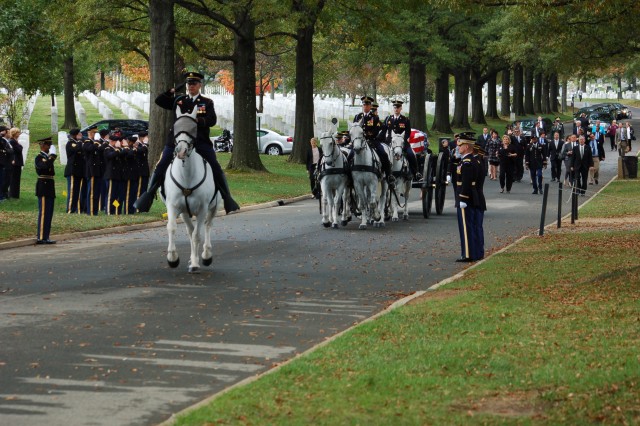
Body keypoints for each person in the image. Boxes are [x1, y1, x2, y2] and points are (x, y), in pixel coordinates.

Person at [134, 71, 239, 214]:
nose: (191, 86)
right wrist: (173, 90)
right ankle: (148, 197)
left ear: (199, 85)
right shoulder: (179, 100)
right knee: (161, 165)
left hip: (199, 141)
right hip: (176, 141)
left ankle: (227, 198)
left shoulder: (206, 102)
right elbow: (159, 101)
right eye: (189, 84)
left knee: (215, 167)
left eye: (194, 84)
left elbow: (212, 120)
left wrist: (197, 121)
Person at [348, 95, 394, 187]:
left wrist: (367, 135)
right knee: (349, 156)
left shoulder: (374, 117)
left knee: (383, 154)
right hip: (358, 142)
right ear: (362, 106)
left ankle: (388, 175)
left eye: (367, 105)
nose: (365, 106)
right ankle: (349, 177)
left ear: (370, 106)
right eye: (364, 104)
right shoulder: (357, 117)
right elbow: (353, 129)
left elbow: (376, 130)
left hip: (372, 141)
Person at [453, 133, 481, 262]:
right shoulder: (467, 160)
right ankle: (472, 253)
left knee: (466, 227)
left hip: (466, 198)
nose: (459, 147)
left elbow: (467, 181)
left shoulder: (468, 162)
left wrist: (463, 198)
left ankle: (468, 254)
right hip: (469, 197)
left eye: (461, 145)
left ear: (467, 147)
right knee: (468, 226)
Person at [377, 100, 421, 181]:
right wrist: (378, 139)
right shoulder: (388, 119)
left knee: (411, 154)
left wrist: (403, 140)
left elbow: (408, 132)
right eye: (394, 107)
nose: (396, 109)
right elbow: (383, 131)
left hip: (402, 142)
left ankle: (416, 173)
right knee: (381, 153)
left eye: (398, 107)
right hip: (390, 142)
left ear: (401, 108)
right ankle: (381, 171)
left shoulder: (405, 120)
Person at [34, 137, 57, 244]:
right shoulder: (39, 157)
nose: (49, 147)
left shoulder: (47, 157)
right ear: (43, 146)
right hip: (43, 185)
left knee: (49, 212)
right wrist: (51, 157)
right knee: (43, 212)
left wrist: (50, 157)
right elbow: (44, 167)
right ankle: (41, 236)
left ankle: (46, 236)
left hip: (50, 185)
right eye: (48, 145)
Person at [83, 125, 105, 215]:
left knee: (96, 192)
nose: (95, 134)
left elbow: (101, 150)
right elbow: (90, 149)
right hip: (91, 170)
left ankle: (95, 210)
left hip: (98, 170)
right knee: (91, 192)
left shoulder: (96, 143)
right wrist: (96, 142)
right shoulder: (87, 142)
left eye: (96, 133)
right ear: (89, 133)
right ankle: (91, 211)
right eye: (94, 133)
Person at [64, 128, 87, 213]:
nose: (81, 136)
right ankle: (70, 209)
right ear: (75, 135)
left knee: (79, 191)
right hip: (73, 170)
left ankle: (78, 208)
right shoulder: (71, 143)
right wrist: (80, 141)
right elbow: (77, 148)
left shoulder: (78, 143)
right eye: (79, 134)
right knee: (73, 191)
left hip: (80, 171)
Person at [7, 127, 24, 199]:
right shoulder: (12, 141)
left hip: (17, 162)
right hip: (15, 162)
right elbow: (18, 149)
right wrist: (19, 145)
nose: (19, 134)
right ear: (14, 133)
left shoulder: (14, 141)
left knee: (16, 179)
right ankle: (13, 194)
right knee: (14, 179)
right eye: (18, 133)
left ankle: (15, 194)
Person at [0, 125, 13, 201]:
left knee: (2, 180)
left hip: (3, 163)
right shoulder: (2, 140)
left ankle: (2, 195)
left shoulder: (4, 140)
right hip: (2, 162)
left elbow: (10, 150)